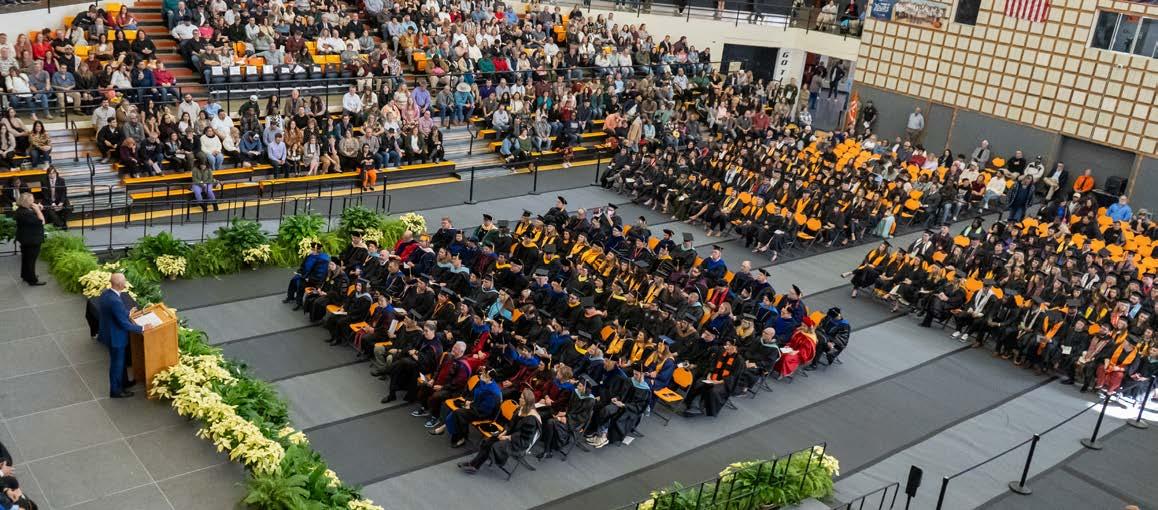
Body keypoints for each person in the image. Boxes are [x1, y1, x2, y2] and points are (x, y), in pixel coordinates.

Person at [457, 388, 541, 474]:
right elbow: (511, 424)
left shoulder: (531, 419)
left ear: (526, 401)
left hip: (518, 443)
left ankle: (475, 466)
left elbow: (525, 439)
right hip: (510, 435)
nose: (519, 399)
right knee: (489, 441)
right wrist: (504, 432)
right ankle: (473, 463)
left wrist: (507, 437)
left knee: (495, 445)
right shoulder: (521, 409)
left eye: (521, 398)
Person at [98, 273, 151, 398]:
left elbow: (115, 313)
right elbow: (124, 324)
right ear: (120, 285)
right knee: (117, 363)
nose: (126, 283)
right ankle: (116, 390)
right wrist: (143, 328)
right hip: (116, 337)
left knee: (120, 361)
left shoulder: (106, 294)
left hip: (109, 333)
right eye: (124, 281)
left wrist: (127, 313)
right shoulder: (115, 301)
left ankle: (124, 382)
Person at [13, 193, 45, 286]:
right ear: (27, 202)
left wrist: (37, 209)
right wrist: (38, 211)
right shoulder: (26, 213)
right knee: (31, 260)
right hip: (32, 239)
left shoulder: (21, 210)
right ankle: (32, 280)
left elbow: (31, 216)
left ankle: (25, 275)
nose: (34, 201)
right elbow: (42, 221)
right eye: (32, 200)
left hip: (25, 238)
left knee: (26, 258)